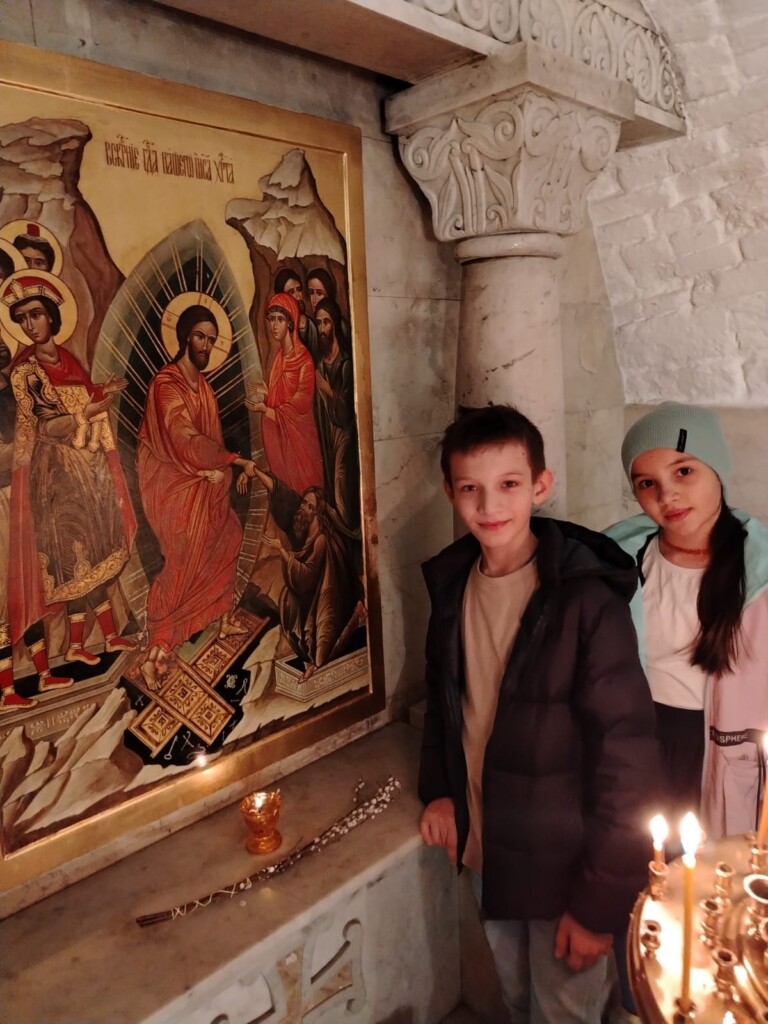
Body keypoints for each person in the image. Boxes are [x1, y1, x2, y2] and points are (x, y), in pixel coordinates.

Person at [419, 404, 659, 1024]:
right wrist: (441, 791)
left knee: (566, 1012)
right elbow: (445, 704)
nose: (489, 505)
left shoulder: (585, 600)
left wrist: (599, 903)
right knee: (517, 997)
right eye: (470, 488)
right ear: (450, 492)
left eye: (509, 484)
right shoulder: (452, 585)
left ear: (540, 485)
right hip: (490, 853)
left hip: (566, 869)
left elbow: (628, 759)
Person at [606, 402, 768, 839]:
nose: (667, 495)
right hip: (637, 741)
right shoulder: (614, 561)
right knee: (644, 859)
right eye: (647, 483)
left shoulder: (761, 575)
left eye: (684, 472)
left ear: (717, 469)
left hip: (723, 753)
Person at [3, 274, 137, 696]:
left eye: (36, 315)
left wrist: (99, 393)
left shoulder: (68, 360)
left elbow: (80, 395)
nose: (30, 325)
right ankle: (73, 648)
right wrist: (87, 412)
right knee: (73, 560)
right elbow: (48, 423)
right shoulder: (25, 373)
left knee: (96, 554)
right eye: (22, 319)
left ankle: (101, 638)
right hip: (55, 477)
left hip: (87, 471)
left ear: (52, 316)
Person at [137, 303, 257, 689]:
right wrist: (231, 461)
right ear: (185, 337)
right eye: (200, 336)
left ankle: (221, 619)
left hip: (203, 480)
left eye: (211, 340)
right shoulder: (166, 383)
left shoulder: (203, 387)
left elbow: (210, 438)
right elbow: (183, 439)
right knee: (184, 559)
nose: (205, 345)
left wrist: (218, 471)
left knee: (229, 535)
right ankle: (157, 648)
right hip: (172, 484)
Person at [237, 464, 359, 680]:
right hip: (309, 594)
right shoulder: (302, 527)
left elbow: (307, 575)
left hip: (326, 596)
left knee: (321, 648)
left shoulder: (321, 540)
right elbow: (280, 492)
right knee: (287, 601)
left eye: (309, 506)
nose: (303, 507)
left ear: (317, 512)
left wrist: (282, 551)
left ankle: (323, 654)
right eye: (304, 502)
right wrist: (254, 471)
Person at [246, 292, 323, 496]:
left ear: (290, 322)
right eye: (271, 319)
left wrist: (265, 409)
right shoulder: (279, 358)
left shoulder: (304, 360)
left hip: (301, 445)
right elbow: (280, 397)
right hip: (281, 444)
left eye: (280, 320)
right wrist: (268, 393)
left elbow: (300, 405)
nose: (274, 325)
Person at [313, 297, 359, 533]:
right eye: (319, 323)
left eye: (326, 322)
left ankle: (350, 529)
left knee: (341, 482)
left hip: (343, 436)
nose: (322, 328)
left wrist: (329, 391)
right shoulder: (322, 364)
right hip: (328, 435)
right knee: (330, 482)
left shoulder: (346, 363)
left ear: (335, 325)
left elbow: (347, 411)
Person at [273, 267, 319, 364]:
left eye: (299, 290)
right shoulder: (278, 327)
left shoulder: (310, 326)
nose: (298, 297)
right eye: (292, 292)